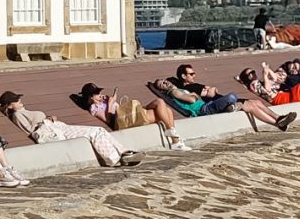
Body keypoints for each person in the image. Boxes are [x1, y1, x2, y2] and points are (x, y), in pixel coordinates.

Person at [0, 91, 144, 167]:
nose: (20, 101)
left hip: (57, 126)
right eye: (16, 100)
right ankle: (114, 158)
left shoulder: (23, 111)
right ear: (10, 105)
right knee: (96, 131)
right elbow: (31, 130)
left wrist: (50, 118)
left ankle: (124, 152)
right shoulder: (17, 114)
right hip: (52, 130)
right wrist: (47, 120)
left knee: (100, 130)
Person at [173, 63, 291, 129]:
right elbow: (209, 93)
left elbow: (210, 91)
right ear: (183, 76)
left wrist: (210, 90)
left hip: (219, 100)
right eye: (191, 74)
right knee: (252, 106)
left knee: (256, 102)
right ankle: (277, 122)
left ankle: (278, 118)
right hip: (217, 103)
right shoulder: (190, 88)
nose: (194, 75)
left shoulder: (194, 85)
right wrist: (210, 89)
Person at [80, 82, 190, 151]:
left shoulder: (103, 101)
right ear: (91, 98)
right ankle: (175, 140)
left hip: (130, 114)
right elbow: (109, 120)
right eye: (97, 94)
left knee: (161, 104)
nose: (100, 95)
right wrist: (110, 103)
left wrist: (110, 101)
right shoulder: (94, 108)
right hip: (122, 122)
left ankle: (174, 138)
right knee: (165, 111)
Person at [155, 77, 293, 132]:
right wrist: (194, 95)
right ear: (163, 89)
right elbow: (192, 100)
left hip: (206, 106)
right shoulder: (174, 92)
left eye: (164, 80)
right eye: (162, 84)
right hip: (205, 109)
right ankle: (277, 120)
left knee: (251, 104)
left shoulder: (177, 89)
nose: (165, 82)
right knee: (232, 96)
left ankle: (278, 120)